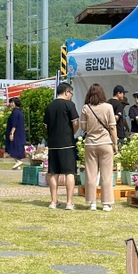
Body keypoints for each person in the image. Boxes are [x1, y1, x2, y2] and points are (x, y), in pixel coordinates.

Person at [80, 83, 118, 212]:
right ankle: (106, 203)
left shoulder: (86, 108)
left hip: (90, 143)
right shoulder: (108, 107)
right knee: (106, 174)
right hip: (105, 143)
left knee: (91, 174)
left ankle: (92, 203)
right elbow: (112, 126)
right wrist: (116, 144)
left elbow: (83, 128)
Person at [42, 82, 79, 210]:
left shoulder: (50, 106)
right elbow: (75, 122)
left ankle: (53, 201)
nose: (71, 96)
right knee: (69, 173)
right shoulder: (69, 105)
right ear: (66, 92)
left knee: (53, 173)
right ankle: (69, 203)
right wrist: (72, 133)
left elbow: (46, 125)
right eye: (71, 94)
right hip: (67, 144)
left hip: (53, 143)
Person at [6, 96, 27, 170]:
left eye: (12, 102)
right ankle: (18, 163)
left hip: (16, 133)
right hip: (20, 133)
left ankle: (18, 161)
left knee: (13, 148)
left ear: (16, 103)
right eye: (10, 102)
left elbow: (14, 124)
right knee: (17, 148)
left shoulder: (15, 113)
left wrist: (11, 133)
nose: (11, 104)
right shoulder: (19, 112)